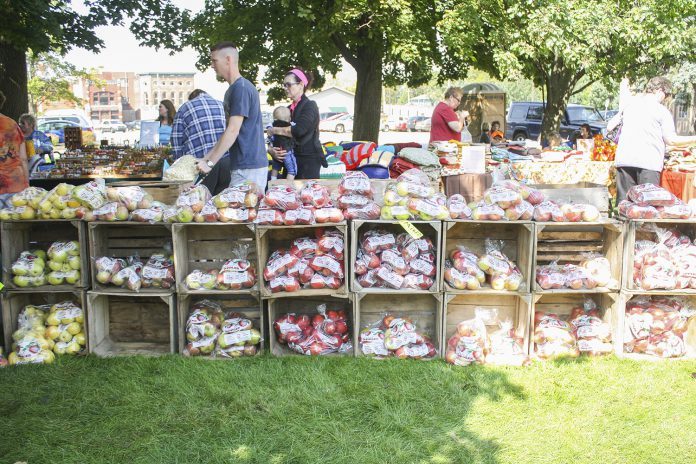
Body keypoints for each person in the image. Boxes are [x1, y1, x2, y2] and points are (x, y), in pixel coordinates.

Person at [196, 42, 268, 191]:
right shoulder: (234, 89)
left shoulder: (241, 89)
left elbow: (233, 131)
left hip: (248, 168)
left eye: (214, 60)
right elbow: (228, 131)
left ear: (228, 59)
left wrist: (210, 164)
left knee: (239, 214)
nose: (212, 65)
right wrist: (206, 158)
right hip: (243, 166)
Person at [615, 76, 696, 202]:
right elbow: (671, 140)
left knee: (625, 206)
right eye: (667, 95)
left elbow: (610, 127)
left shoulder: (630, 105)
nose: (666, 99)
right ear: (660, 91)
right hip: (648, 162)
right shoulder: (661, 111)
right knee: (647, 208)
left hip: (624, 159)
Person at [267, 67, 326, 179]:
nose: (285, 88)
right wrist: (271, 150)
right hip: (289, 163)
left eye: (288, 84)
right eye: (284, 85)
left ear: (301, 84)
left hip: (307, 163)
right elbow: (273, 137)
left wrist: (273, 130)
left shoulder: (310, 106)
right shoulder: (287, 109)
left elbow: (299, 130)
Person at [171, 89, 230, 195]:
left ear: (192, 98)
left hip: (201, 165)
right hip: (226, 161)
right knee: (222, 203)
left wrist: (178, 166)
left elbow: (177, 142)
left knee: (200, 203)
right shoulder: (222, 105)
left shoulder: (185, 108)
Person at [0, 92, 30, 207]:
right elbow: (23, 158)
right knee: (15, 221)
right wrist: (26, 182)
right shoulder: (12, 124)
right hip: (16, 183)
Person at [268, 106, 296, 181]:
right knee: (292, 170)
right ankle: (288, 187)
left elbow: (270, 137)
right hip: (287, 152)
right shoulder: (290, 125)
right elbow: (297, 130)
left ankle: (272, 184)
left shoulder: (271, 127)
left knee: (275, 168)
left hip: (276, 151)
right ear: (289, 118)